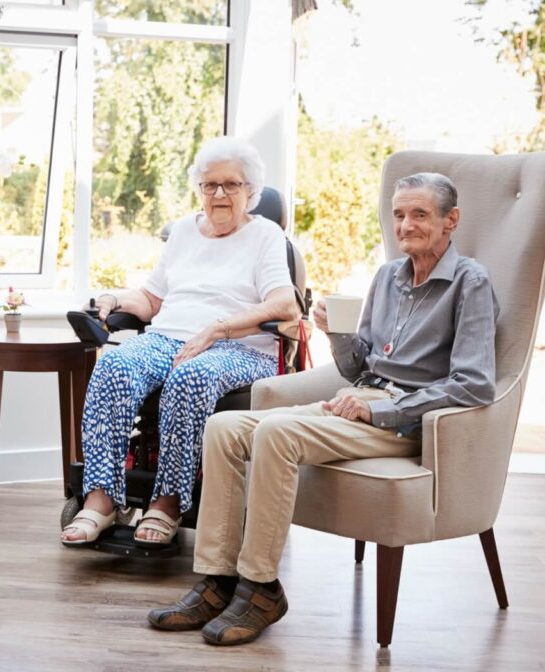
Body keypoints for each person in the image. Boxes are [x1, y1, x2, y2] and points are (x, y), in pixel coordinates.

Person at [147, 172, 499, 646]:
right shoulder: (388, 277)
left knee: (276, 434)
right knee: (225, 427)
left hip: (408, 418)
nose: (406, 225)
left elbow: (474, 384)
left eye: (420, 214)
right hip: (361, 399)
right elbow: (361, 367)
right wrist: (336, 334)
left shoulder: (470, 282)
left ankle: (260, 588)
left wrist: (381, 412)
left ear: (450, 220)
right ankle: (218, 581)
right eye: (398, 214)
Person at [61, 137, 301, 548]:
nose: (220, 194)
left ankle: (168, 501)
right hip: (169, 337)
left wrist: (218, 329)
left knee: (191, 376)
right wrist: (114, 299)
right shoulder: (184, 232)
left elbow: (285, 304)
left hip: (240, 347)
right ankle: (102, 499)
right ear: (200, 189)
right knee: (113, 365)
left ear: (251, 192)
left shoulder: (265, 236)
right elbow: (152, 300)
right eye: (210, 185)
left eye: (231, 185)